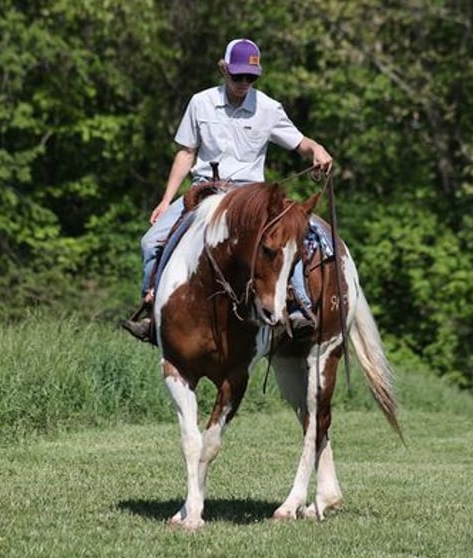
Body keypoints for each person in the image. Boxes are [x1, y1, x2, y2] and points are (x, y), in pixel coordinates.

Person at [122, 38, 333, 342]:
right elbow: (186, 152)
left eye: (251, 77)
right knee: (150, 241)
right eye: (237, 76)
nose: (244, 83)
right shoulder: (201, 102)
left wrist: (317, 149)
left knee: (290, 235)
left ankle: (298, 305)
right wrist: (166, 199)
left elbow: (300, 143)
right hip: (204, 191)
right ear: (223, 70)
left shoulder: (269, 108)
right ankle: (153, 309)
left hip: (249, 197)